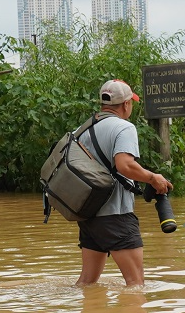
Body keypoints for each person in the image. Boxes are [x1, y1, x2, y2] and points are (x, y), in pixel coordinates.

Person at [74, 79, 173, 287]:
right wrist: (153, 178)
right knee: (136, 284)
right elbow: (125, 165)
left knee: (86, 282)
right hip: (116, 216)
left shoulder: (82, 130)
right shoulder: (123, 127)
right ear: (126, 104)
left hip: (89, 216)